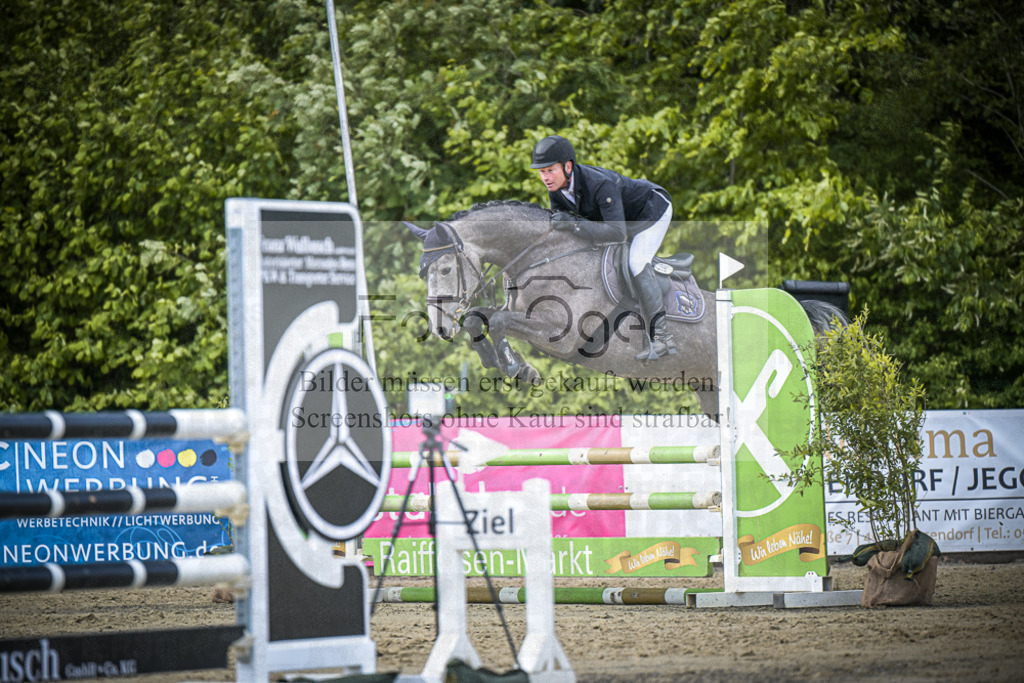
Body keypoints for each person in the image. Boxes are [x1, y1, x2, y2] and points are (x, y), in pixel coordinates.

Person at [530, 134, 676, 361]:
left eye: (550, 170)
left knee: (636, 262)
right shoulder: (557, 189)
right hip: (621, 221)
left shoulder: (600, 184)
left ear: (568, 167)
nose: (545, 177)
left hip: (651, 212)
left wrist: (575, 224)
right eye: (541, 172)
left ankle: (663, 338)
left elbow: (616, 234)